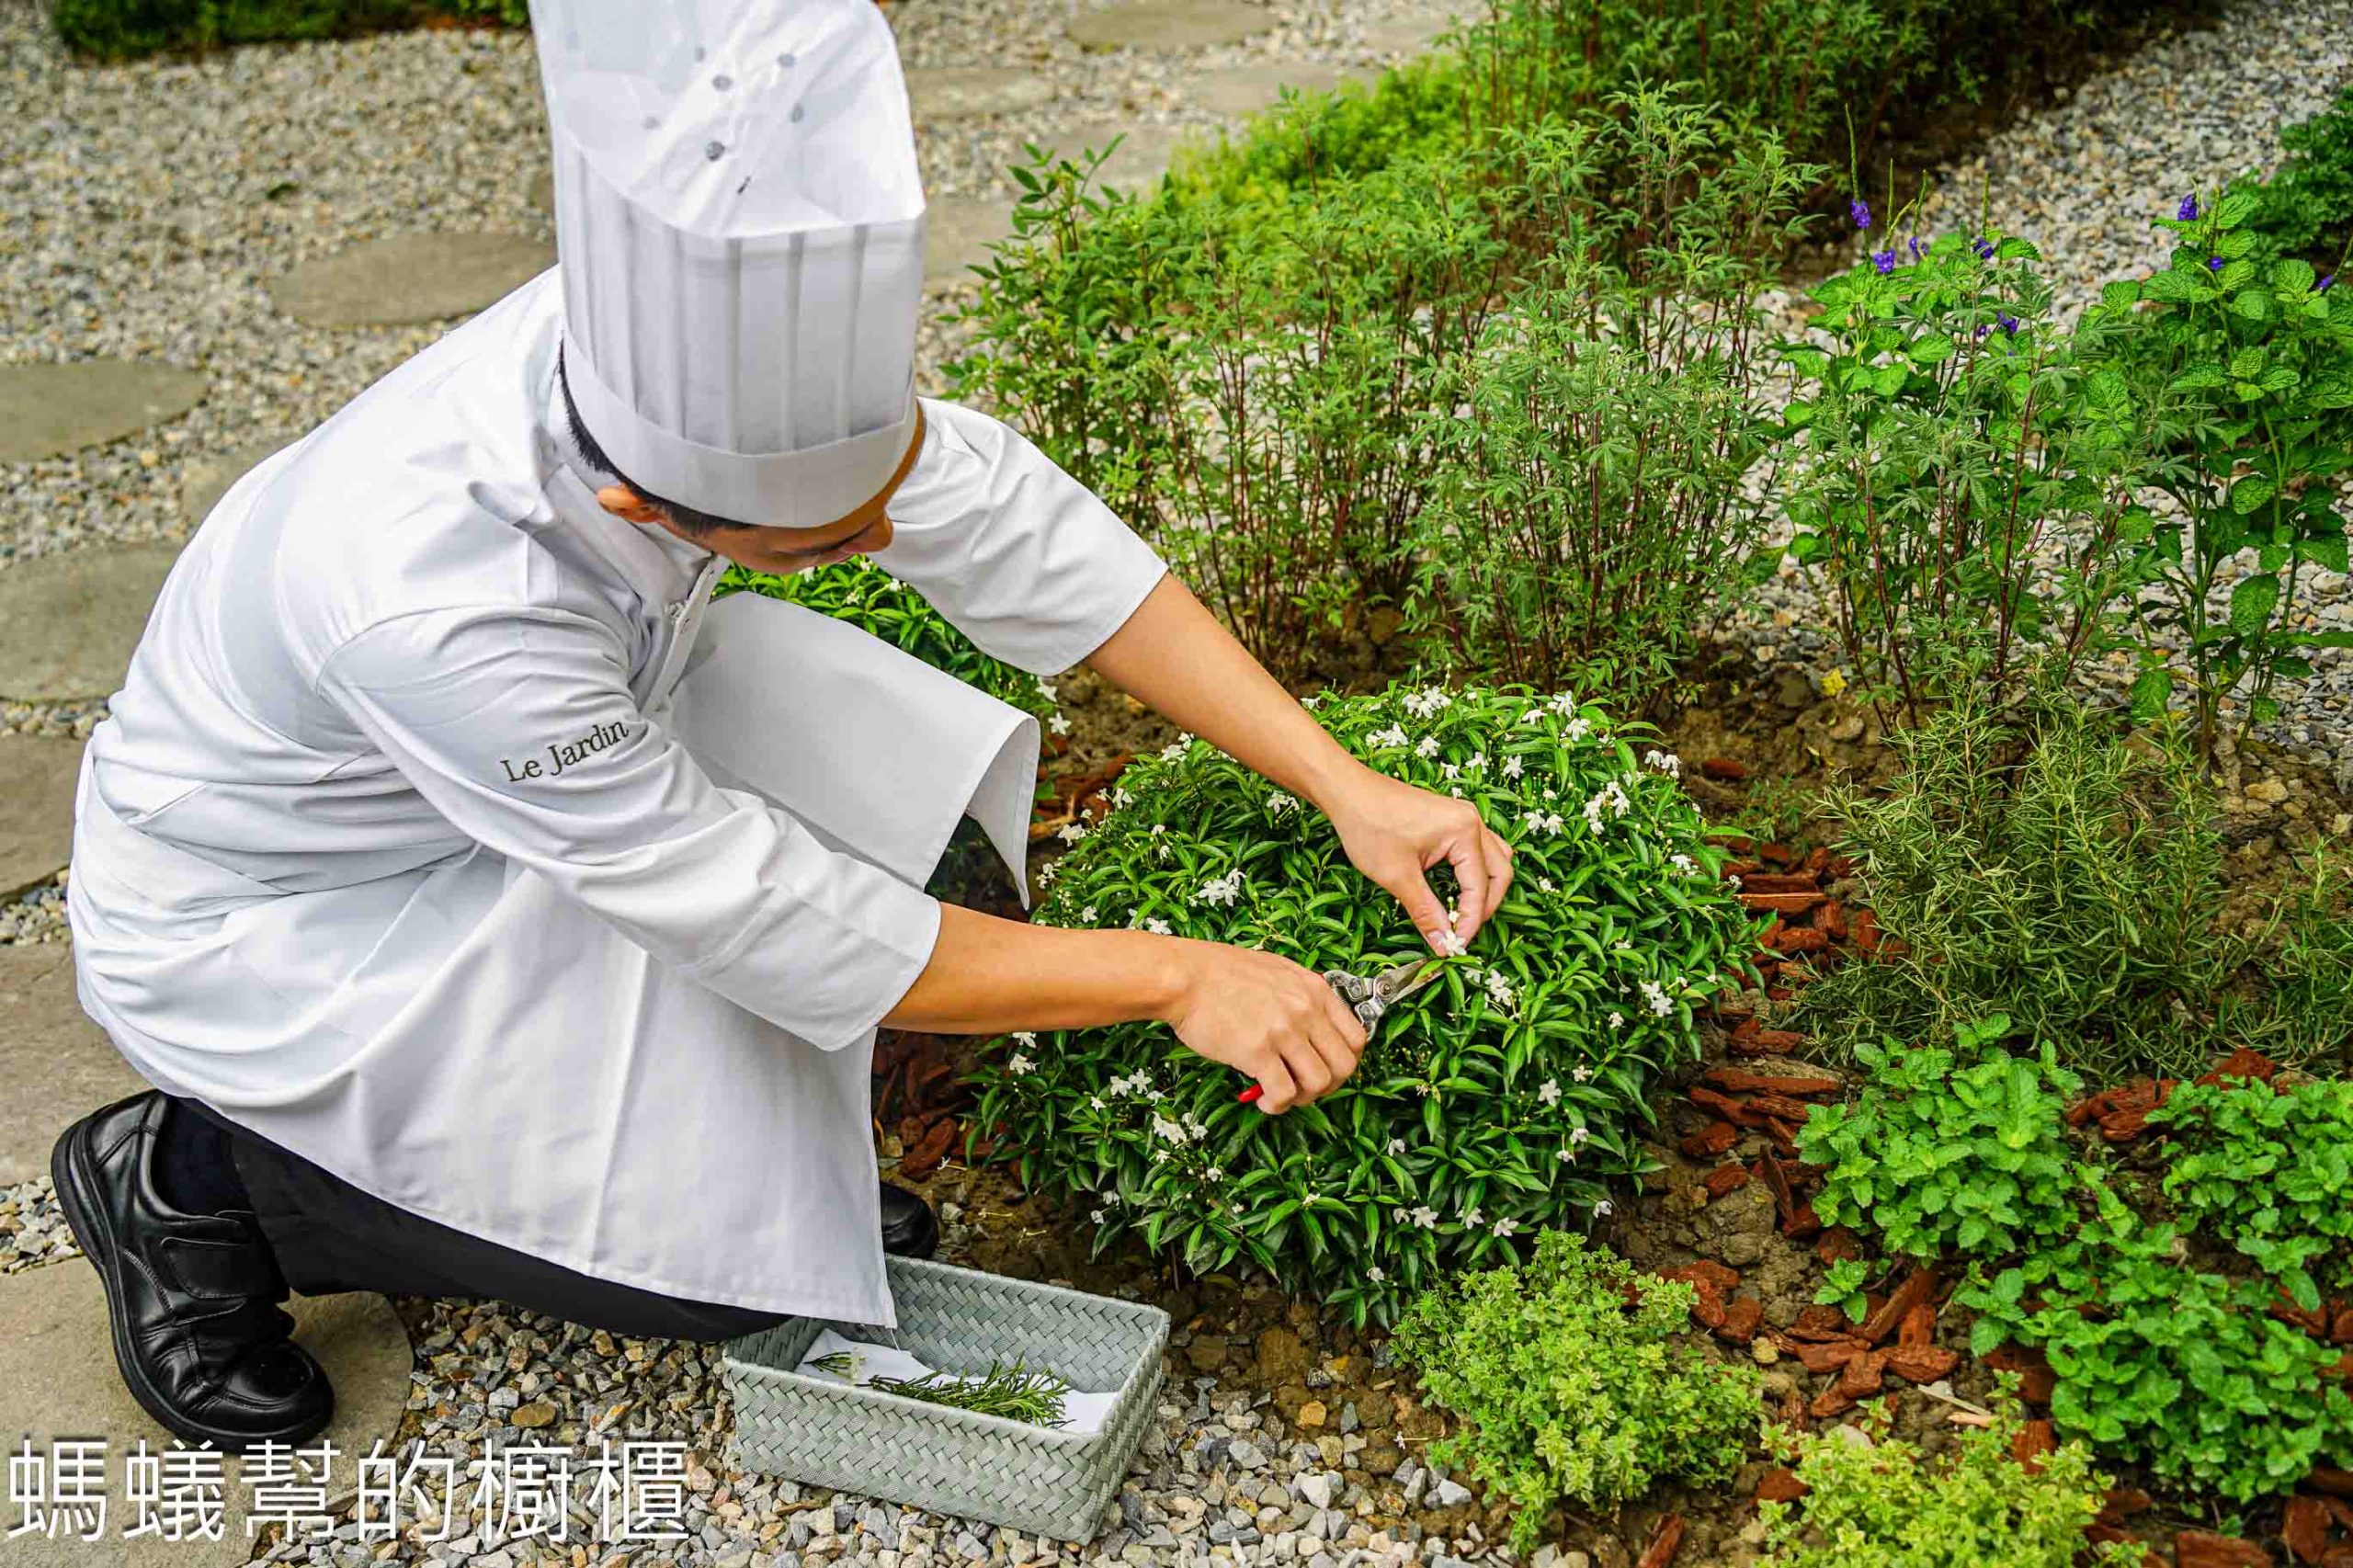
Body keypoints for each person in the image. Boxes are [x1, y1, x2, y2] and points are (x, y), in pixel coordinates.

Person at [55, 0, 1514, 1451]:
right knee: (711, 1280)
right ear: (639, 503)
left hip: (526, 784)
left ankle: (724, 1159)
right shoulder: (429, 596)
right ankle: (195, 1178)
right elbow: (762, 909)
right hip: (290, 921)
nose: (886, 530)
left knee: (812, 1089)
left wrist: (1341, 779)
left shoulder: (665, 362)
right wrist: (1177, 977)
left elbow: (1016, 529)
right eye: (835, 542)